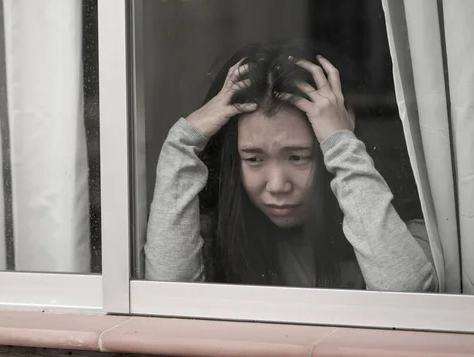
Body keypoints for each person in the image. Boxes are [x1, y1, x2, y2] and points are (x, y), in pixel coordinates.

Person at [143, 41, 438, 292]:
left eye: (298, 157)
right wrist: (182, 143)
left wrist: (341, 141)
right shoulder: (217, 237)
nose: (277, 185)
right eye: (254, 159)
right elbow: (168, 292)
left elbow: (405, 294)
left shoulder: (407, 234)